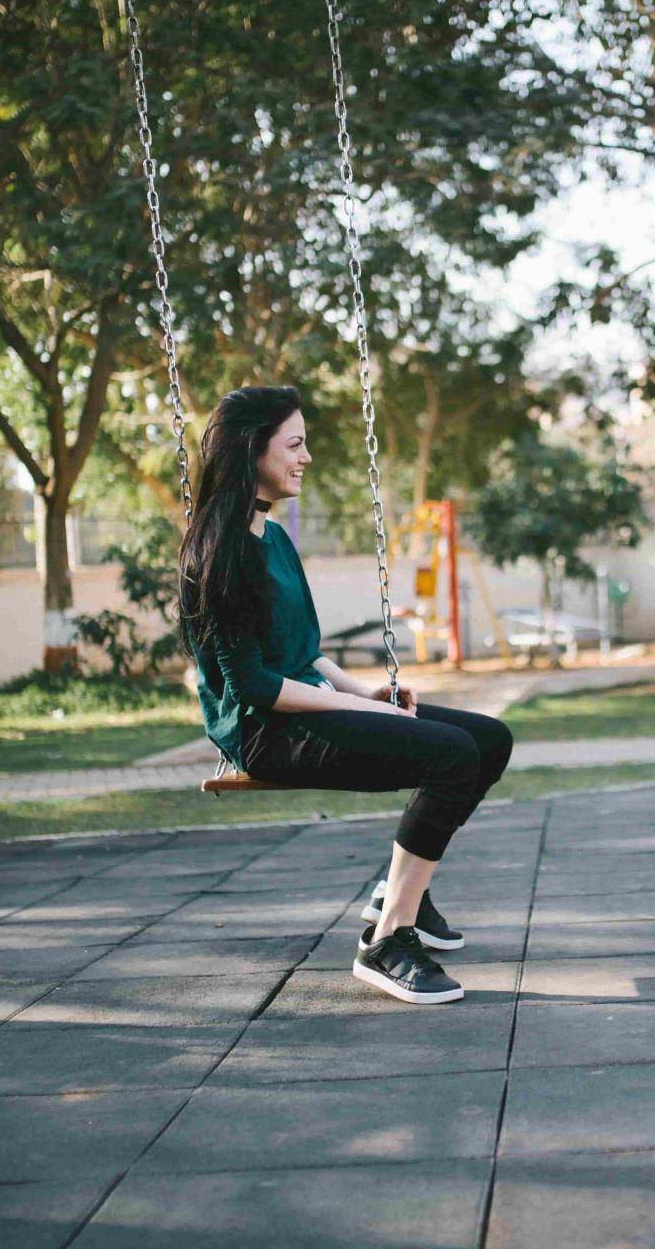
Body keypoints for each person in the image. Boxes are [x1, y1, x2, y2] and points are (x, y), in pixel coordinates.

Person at [180, 386, 513, 1005]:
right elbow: (253, 685)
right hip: (262, 730)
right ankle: (389, 940)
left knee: (489, 740)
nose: (306, 457)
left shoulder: (273, 538)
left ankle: (398, 891)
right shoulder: (221, 552)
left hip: (306, 702)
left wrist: (366, 690)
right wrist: (357, 707)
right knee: (451, 756)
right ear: (253, 450)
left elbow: (304, 651)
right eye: (295, 444)